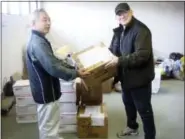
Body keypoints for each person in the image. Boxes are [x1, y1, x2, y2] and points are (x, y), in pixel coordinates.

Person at [26, 9, 89, 139]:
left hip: (48, 90)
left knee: (51, 124)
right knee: (48, 128)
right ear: (33, 23)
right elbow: (53, 67)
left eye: (49, 20)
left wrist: (74, 69)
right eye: (44, 20)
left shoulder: (40, 40)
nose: (48, 23)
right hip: (45, 92)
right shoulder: (38, 43)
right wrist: (76, 73)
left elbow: (55, 61)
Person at [105, 3, 156, 139]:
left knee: (144, 110)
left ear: (131, 12)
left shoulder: (141, 30)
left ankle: (150, 136)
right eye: (119, 14)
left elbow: (142, 56)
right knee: (128, 104)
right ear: (116, 17)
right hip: (126, 77)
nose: (122, 16)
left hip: (140, 79)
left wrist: (119, 61)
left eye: (124, 12)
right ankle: (132, 127)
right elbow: (113, 50)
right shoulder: (119, 31)